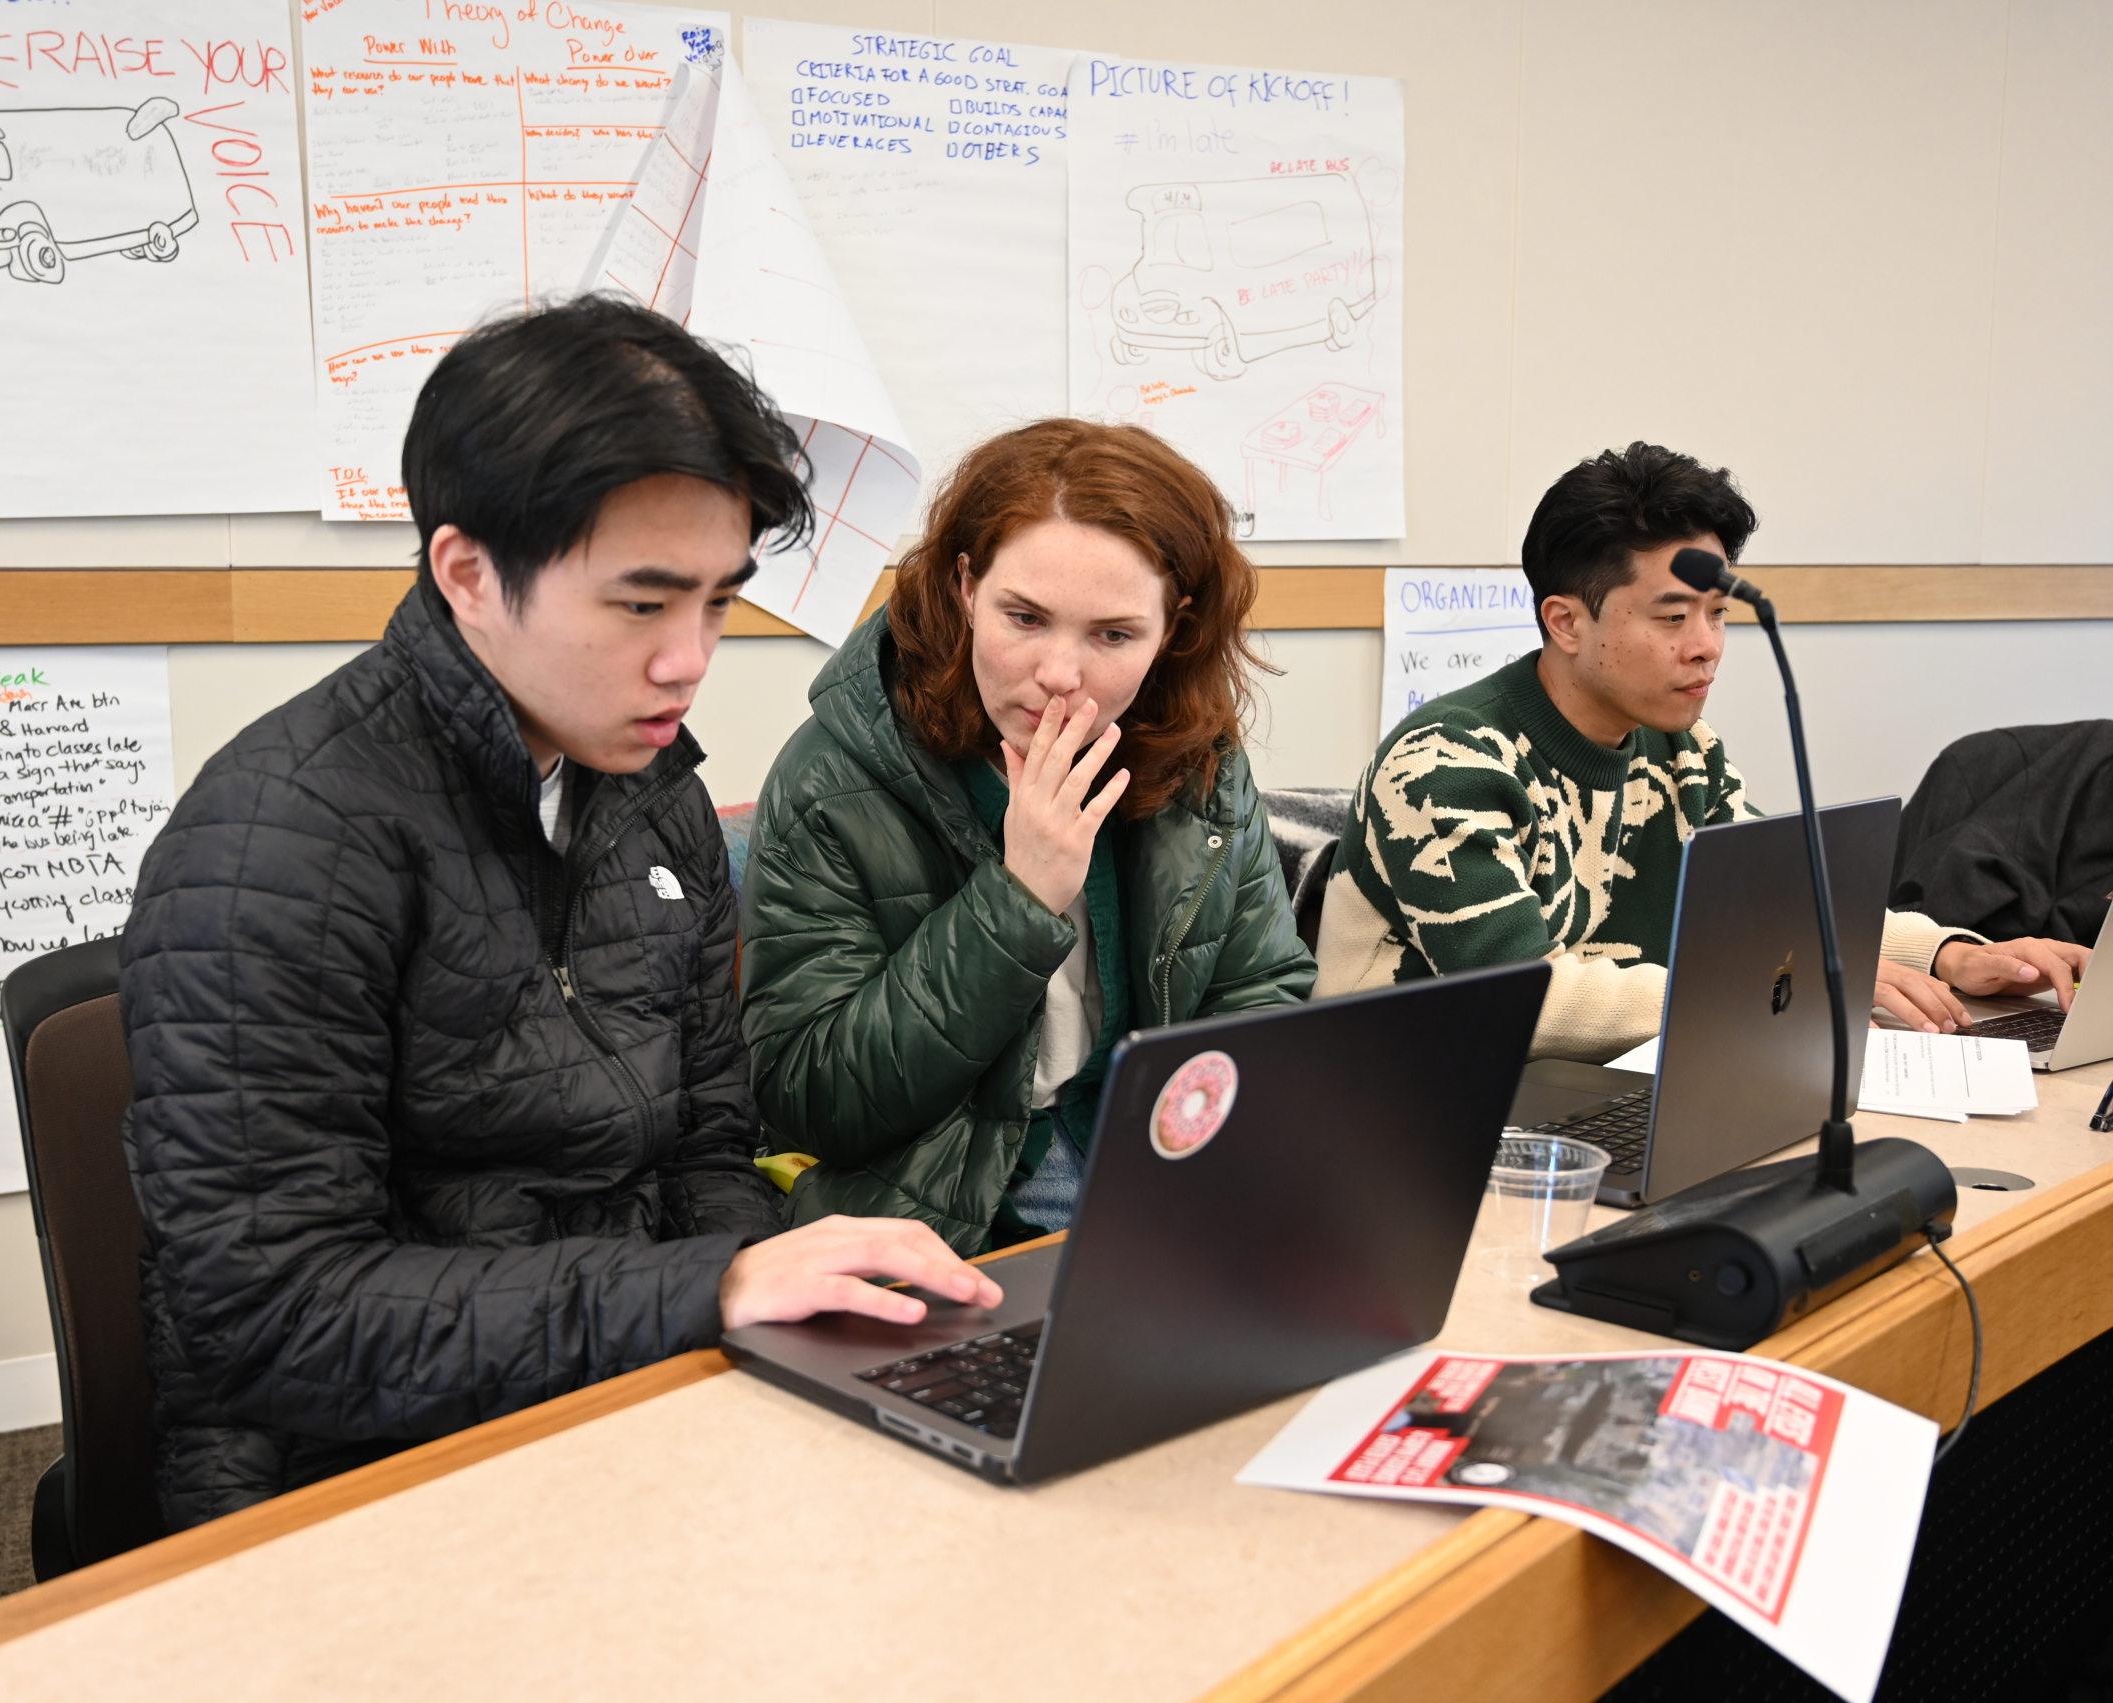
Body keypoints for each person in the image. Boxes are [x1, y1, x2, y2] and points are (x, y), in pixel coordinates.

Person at [118, 297, 1001, 1530]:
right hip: (361, 1470)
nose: (689, 659)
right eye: (642, 605)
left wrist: (763, 1337)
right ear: (468, 574)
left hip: (636, 1386)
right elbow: (272, 1318)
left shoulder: (650, 795)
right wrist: (707, 1291)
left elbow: (707, 1145)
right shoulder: (280, 841)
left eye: (717, 602)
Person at [737, 420, 1316, 1252]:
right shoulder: (833, 774)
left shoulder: (1196, 754)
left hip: (1157, 1162)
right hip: (940, 1194)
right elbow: (812, 1094)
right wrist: (1018, 898)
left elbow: (1262, 992)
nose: (1060, 675)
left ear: (1174, 627)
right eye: (1025, 618)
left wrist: (1201, 1156)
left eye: (1114, 635)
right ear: (967, 586)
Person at [1317, 442, 2089, 1060]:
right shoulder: (1445, 765)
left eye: (1718, 613)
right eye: (1672, 616)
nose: (1707, 648)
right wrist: (1770, 986)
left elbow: (1783, 901)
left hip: (1602, 1084)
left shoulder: (1683, 750)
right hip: (1411, 1099)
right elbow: (1525, 995)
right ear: (1565, 621)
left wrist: (1947, 953)